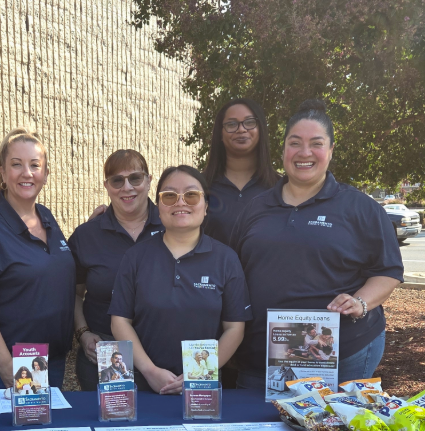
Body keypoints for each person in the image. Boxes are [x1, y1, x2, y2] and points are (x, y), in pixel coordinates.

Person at [228, 100, 403, 391]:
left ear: (331, 150)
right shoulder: (255, 208)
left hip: (341, 352)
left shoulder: (360, 208)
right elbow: (233, 272)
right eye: (295, 143)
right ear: (283, 150)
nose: (305, 152)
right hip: (264, 356)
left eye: (316, 143)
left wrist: (360, 302)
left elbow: (388, 271)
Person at [0, 130, 76, 393]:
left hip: (50, 359)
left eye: (34, 165)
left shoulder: (47, 218)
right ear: (3, 173)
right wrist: (6, 366)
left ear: (45, 174)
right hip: (14, 364)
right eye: (16, 164)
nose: (26, 173)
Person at [105, 167, 248, 395]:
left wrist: (198, 374)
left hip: (202, 390)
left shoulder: (226, 259)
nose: (181, 203)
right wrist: (150, 371)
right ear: (159, 207)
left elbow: (235, 328)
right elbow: (120, 321)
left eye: (191, 195)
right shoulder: (136, 257)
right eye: (169, 196)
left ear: (206, 205)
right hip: (144, 387)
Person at [71, 149, 162, 391]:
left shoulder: (172, 226)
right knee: (109, 424)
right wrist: (83, 333)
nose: (127, 187)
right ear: (107, 186)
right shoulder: (87, 235)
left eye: (135, 178)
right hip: (105, 350)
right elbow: (73, 293)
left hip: (163, 351)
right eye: (117, 180)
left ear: (149, 180)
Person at [202, 97, 279, 246]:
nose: (241, 129)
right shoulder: (199, 187)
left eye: (250, 122)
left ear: (261, 129)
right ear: (220, 134)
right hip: (211, 270)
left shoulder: (281, 188)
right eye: (231, 124)